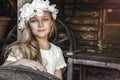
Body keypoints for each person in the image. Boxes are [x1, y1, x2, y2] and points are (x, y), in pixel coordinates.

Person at [2, 0, 67, 80]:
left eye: (45, 19)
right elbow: (3, 70)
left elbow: (58, 78)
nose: (40, 25)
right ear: (29, 25)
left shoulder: (57, 51)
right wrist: (21, 62)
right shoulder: (21, 48)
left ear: (51, 23)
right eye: (34, 21)